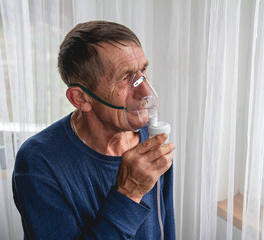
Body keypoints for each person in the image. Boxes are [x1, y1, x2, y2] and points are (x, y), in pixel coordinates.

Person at [12, 20, 176, 239]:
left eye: (143, 70)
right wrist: (129, 193)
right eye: (125, 77)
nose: (145, 91)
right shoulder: (39, 163)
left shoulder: (151, 138)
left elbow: (166, 228)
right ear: (81, 98)